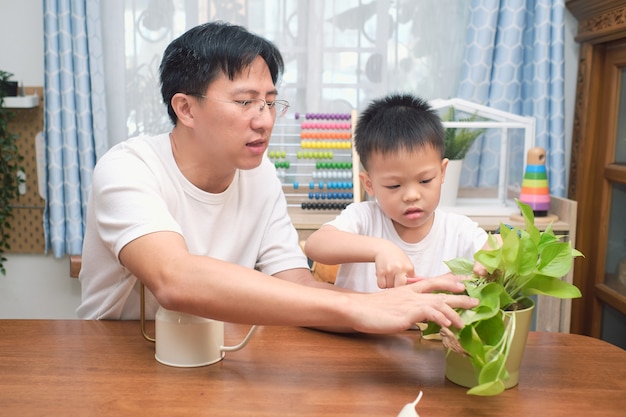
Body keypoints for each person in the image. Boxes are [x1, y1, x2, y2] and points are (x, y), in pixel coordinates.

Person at [76, 22, 477, 334]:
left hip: (218, 352)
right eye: (245, 101)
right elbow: (174, 279)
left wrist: (400, 307)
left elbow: (295, 282)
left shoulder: (260, 174)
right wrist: (359, 307)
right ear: (185, 108)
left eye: (270, 102)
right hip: (120, 353)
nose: (265, 119)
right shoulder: (128, 168)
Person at [304, 93, 489, 293]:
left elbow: (497, 253)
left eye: (425, 180)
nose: (411, 195)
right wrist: (380, 249)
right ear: (369, 184)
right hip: (359, 325)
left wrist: (496, 252)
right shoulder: (364, 218)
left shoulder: (459, 231)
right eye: (394, 186)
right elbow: (316, 245)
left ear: (442, 172)